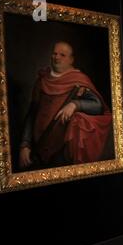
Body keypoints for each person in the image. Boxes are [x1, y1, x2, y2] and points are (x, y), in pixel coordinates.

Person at [19, 41, 113, 170]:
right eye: (54, 53)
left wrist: (75, 104)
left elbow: (98, 106)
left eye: (62, 55)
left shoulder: (79, 80)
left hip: (61, 149)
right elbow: (32, 114)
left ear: (71, 59)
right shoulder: (42, 81)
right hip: (38, 147)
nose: (56, 57)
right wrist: (25, 145)